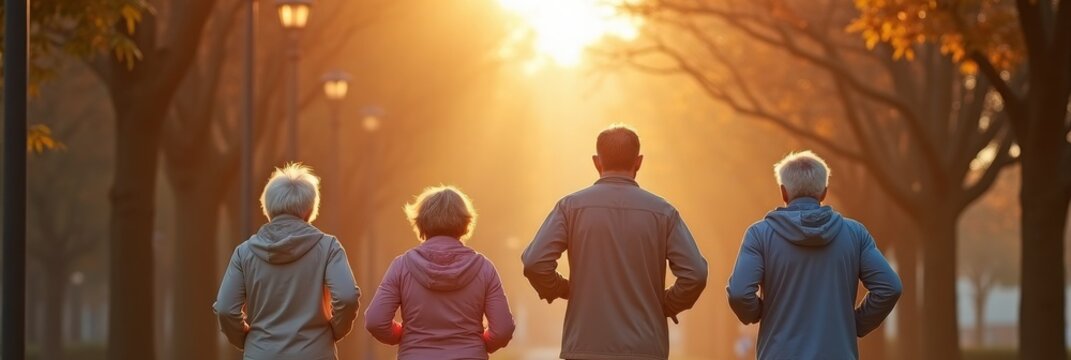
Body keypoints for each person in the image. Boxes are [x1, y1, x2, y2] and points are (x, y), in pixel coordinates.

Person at [522, 124, 708, 360]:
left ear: (596, 162)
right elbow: (696, 273)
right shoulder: (663, 213)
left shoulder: (570, 208)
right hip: (645, 348)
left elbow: (535, 262)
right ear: (638, 162)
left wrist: (562, 288)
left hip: (585, 346)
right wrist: (666, 304)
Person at [727, 151, 902, 360]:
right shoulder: (855, 234)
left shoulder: (760, 235)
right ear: (824, 192)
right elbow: (890, 287)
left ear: (783, 192)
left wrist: (757, 313)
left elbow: (739, 293)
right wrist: (855, 324)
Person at [214, 164, 360, 360]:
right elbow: (347, 297)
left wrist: (248, 340)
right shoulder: (328, 248)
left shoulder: (244, 253)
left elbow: (225, 308)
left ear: (268, 207)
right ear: (309, 209)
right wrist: (333, 332)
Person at [365, 185, 516, 359]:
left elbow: (376, 321)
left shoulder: (402, 266)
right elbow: (503, 330)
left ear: (420, 223)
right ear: (466, 223)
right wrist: (477, 345)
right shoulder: (484, 268)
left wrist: (403, 336)